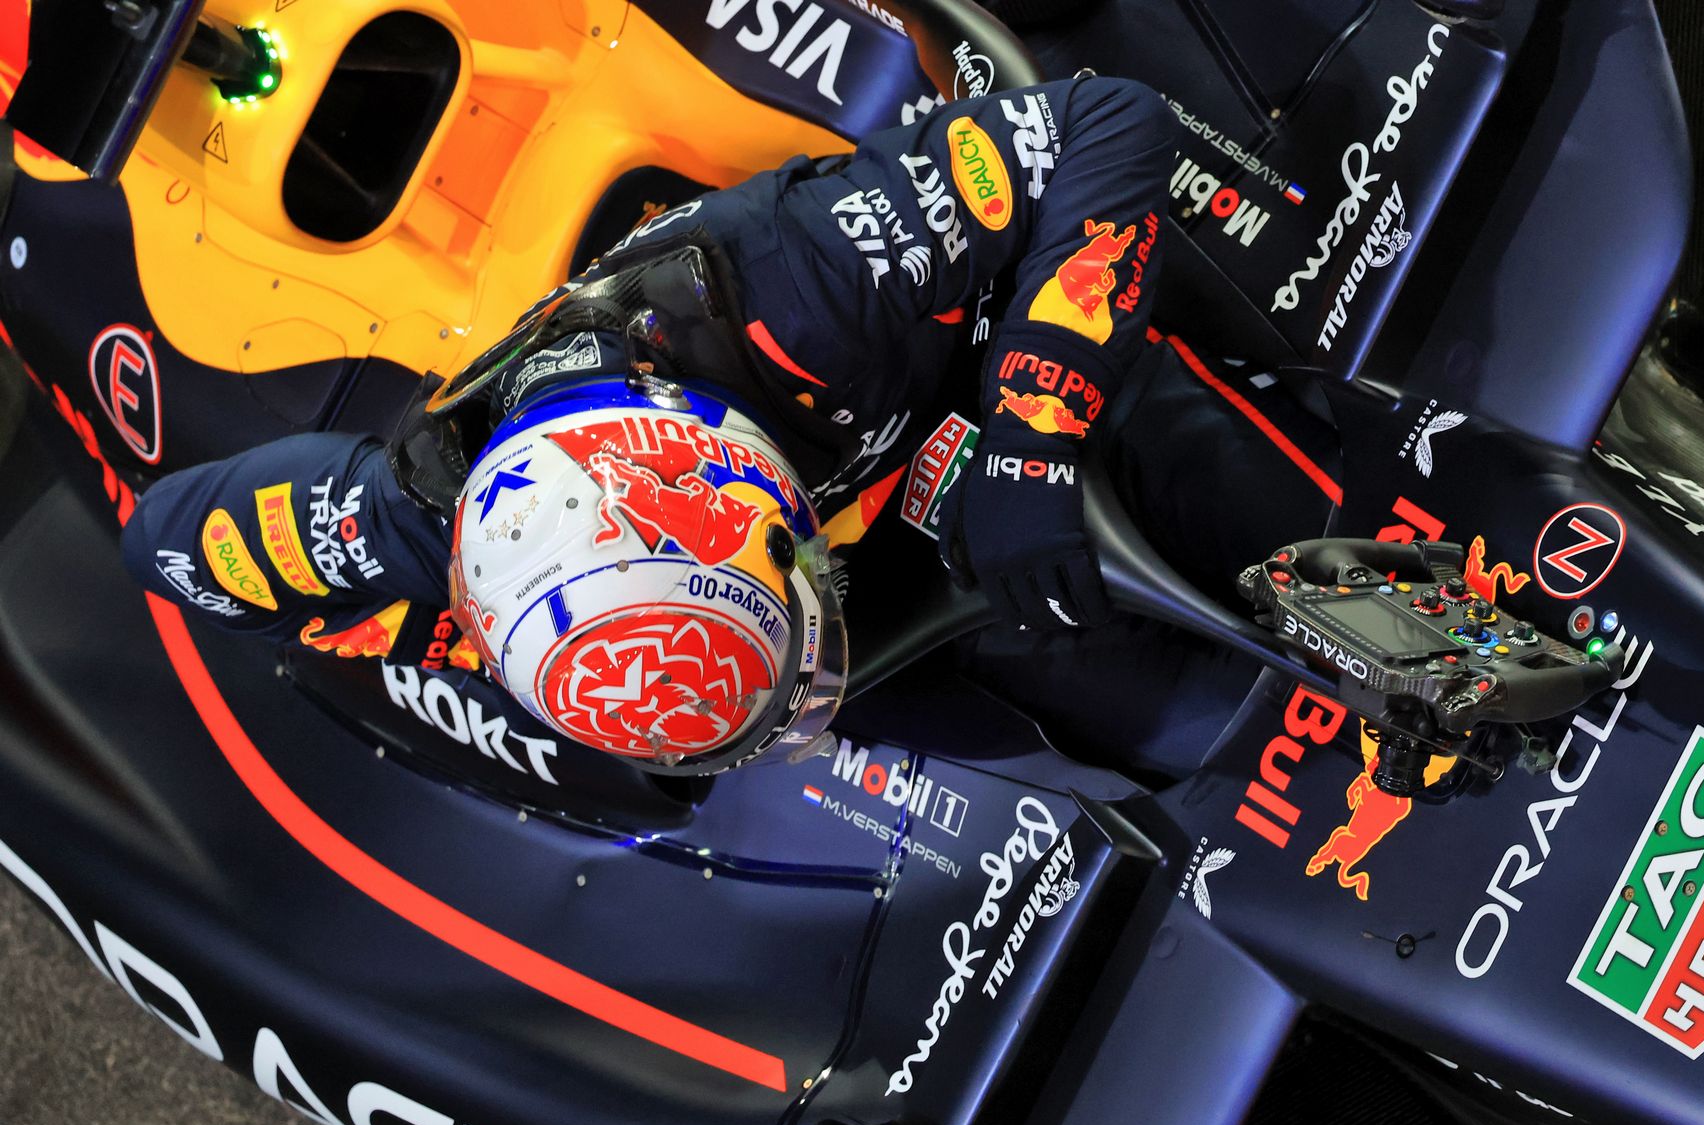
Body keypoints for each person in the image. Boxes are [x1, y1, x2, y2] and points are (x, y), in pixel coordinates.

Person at [120, 76, 1340, 775]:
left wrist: (1030, 436)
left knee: (1291, 524)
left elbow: (1108, 118)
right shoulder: (429, 510)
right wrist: (453, 627)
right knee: (1178, 742)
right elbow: (162, 541)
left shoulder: (806, 280)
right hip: (874, 521)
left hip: (956, 374)